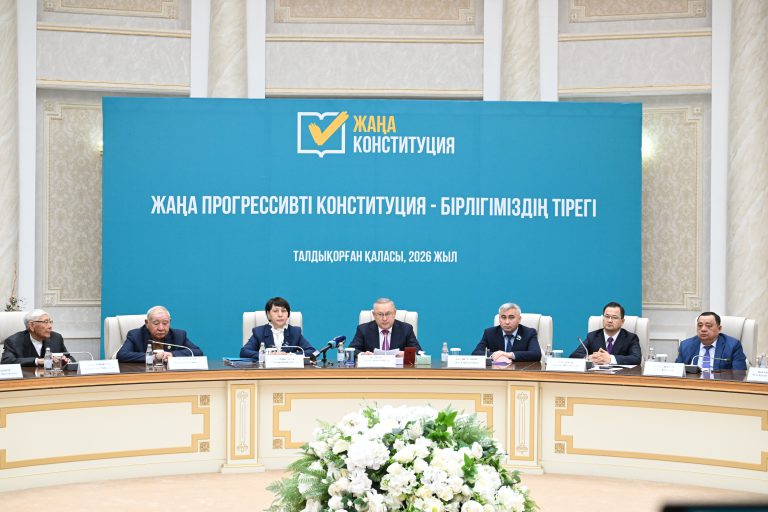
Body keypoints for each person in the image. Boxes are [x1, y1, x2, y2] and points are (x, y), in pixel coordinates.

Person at [116, 306, 203, 363]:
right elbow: (121, 355)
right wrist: (152, 357)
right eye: (156, 323)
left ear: (170, 322)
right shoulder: (135, 335)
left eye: (165, 323)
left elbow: (197, 352)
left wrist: (172, 355)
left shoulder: (178, 335)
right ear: (147, 323)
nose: (161, 328)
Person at [570, 301, 642, 365]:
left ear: (622, 321)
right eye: (607, 316)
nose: (609, 321)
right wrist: (589, 357)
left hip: (620, 375)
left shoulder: (631, 338)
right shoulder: (593, 336)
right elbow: (573, 356)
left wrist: (610, 359)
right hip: (596, 374)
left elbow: (636, 358)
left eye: (614, 317)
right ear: (603, 318)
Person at [241, 297, 316, 358]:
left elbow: (312, 351)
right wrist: (267, 355)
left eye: (283, 311)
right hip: (266, 370)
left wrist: (289, 355)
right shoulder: (259, 332)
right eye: (275, 311)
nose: (280, 315)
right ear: (268, 314)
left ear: (288, 314)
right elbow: (244, 352)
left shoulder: (295, 332)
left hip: (289, 370)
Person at [675, 312, 747, 370]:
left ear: (719, 329)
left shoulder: (733, 346)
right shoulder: (685, 345)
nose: (703, 329)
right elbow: (677, 371)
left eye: (708, 326)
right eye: (700, 325)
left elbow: (739, 374)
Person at [471, 303, 541, 362]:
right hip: (497, 371)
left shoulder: (529, 333)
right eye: (503, 317)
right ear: (499, 319)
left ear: (519, 319)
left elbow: (536, 354)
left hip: (521, 371)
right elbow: (475, 353)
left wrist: (507, 355)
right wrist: (494, 355)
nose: (507, 322)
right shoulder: (490, 333)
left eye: (511, 317)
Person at [349, 298, 421, 355]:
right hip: (372, 368)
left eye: (388, 314)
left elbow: (418, 352)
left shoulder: (406, 329)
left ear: (394, 313)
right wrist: (362, 354)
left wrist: (406, 354)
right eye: (380, 314)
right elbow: (351, 350)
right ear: (374, 315)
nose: (384, 319)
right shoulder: (363, 329)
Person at [1, 309, 72, 367]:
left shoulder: (56, 338)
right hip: (27, 379)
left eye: (50, 322)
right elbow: (6, 361)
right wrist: (37, 361)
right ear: (31, 325)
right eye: (45, 322)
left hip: (51, 378)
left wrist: (66, 360)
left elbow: (70, 358)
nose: (50, 326)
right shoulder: (14, 341)